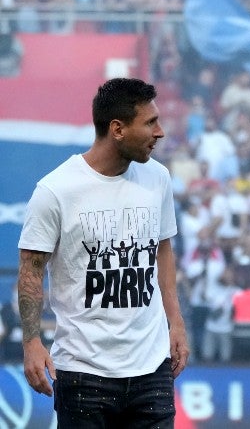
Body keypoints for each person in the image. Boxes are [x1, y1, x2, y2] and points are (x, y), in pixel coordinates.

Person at [17, 78, 189, 428]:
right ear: (118, 129)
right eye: (151, 122)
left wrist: (176, 322)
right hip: (84, 374)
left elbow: (163, 251)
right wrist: (32, 342)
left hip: (152, 370)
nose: (161, 132)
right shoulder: (55, 191)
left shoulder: (158, 178)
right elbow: (31, 271)